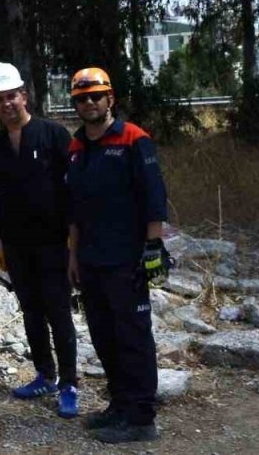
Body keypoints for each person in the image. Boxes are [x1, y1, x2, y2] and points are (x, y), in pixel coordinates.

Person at [65, 67, 168, 445]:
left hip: (128, 259)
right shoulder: (76, 148)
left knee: (133, 337)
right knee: (104, 335)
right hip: (91, 259)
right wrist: (73, 255)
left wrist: (153, 249)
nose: (89, 103)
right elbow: (73, 208)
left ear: (111, 99)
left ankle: (142, 418)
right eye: (81, 98)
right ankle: (120, 405)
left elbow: (154, 199)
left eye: (96, 96)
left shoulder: (133, 139)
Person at [0, 63, 78, 417]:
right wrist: (2, 243)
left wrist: (73, 244)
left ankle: (69, 384)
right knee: (31, 311)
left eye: (12, 96)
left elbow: (73, 193)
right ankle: (44, 374)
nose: (7, 104)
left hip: (54, 242)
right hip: (18, 244)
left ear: (24, 95)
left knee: (58, 311)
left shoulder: (54, 135)